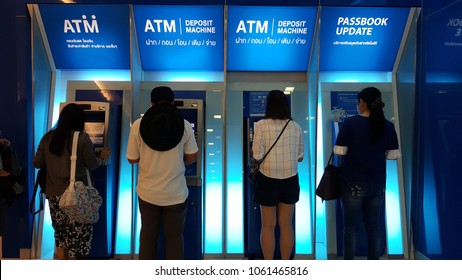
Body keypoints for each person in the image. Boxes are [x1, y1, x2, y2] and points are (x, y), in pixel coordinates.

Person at [126, 86, 198, 260]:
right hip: (175, 194)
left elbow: (132, 159)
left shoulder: (138, 125)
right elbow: (192, 156)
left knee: (147, 237)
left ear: (151, 103)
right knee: (174, 239)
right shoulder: (184, 124)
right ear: (173, 103)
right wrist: (179, 161)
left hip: (148, 193)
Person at [33, 103, 111, 260]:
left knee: (60, 234)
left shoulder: (47, 137)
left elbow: (37, 163)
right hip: (76, 196)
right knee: (76, 237)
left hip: (54, 195)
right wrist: (102, 157)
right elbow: (92, 164)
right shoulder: (82, 138)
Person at [333, 87, 401, 260]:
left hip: (352, 183)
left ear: (362, 102)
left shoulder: (350, 123)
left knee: (350, 228)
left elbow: (339, 151)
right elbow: (393, 155)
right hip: (377, 183)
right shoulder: (387, 126)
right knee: (373, 227)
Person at [251, 90, 304, 260]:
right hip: (290, 179)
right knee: (287, 225)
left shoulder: (261, 125)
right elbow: (300, 156)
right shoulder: (295, 126)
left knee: (268, 225)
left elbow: (257, 155)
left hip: (267, 178)